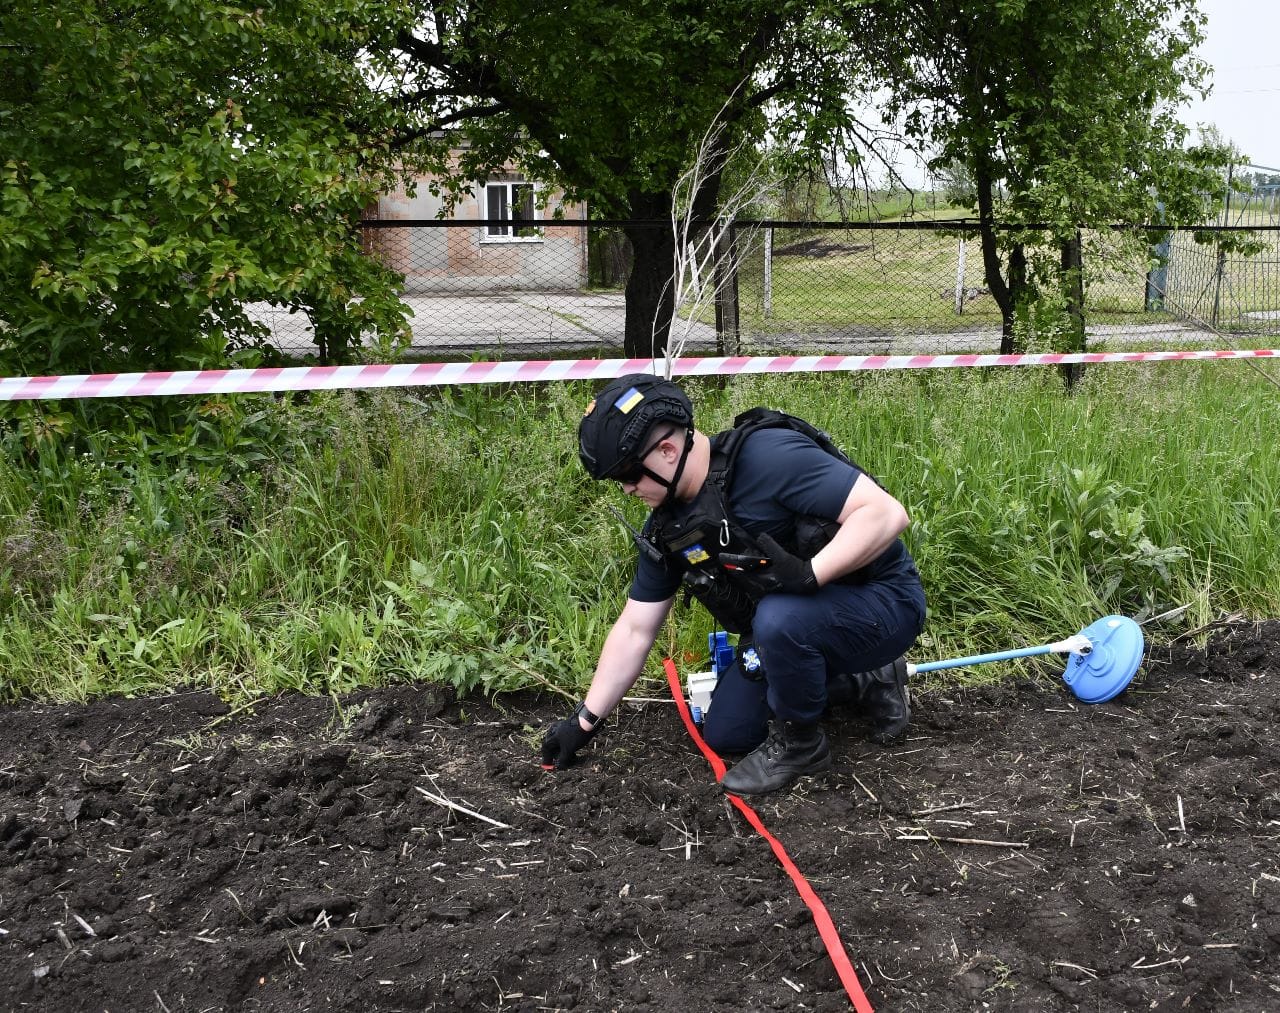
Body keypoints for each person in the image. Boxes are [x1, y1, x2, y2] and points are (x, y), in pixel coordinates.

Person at [540, 373, 926, 795]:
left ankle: (803, 747)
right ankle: (867, 680)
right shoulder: (672, 527)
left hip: (883, 603)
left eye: (630, 475)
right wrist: (583, 722)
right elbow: (636, 627)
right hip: (792, 624)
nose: (628, 489)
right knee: (728, 732)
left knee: (779, 617)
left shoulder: (769, 457)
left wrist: (809, 573)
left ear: (667, 450)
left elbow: (887, 514)